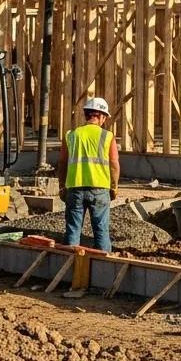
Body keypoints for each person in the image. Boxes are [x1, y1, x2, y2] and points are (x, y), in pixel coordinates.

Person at [57, 97, 119, 252]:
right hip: (99, 189)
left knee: (72, 230)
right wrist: (114, 187)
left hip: (75, 188)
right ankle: (104, 268)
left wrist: (61, 187)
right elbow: (114, 165)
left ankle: (70, 267)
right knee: (101, 231)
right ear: (101, 116)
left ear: (87, 115)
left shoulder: (71, 135)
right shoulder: (107, 136)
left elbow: (62, 163)